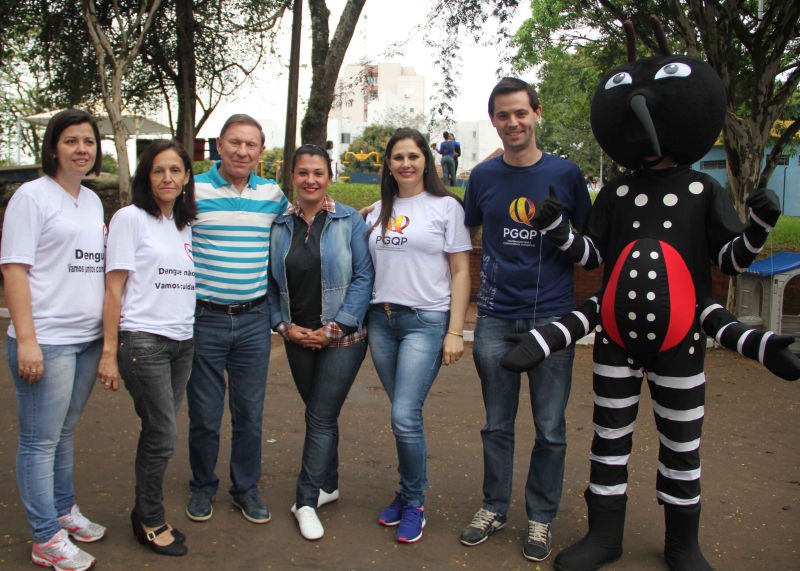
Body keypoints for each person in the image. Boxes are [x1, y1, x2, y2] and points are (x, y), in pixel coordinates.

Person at [501, 18, 798, 571]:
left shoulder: (702, 189)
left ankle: (683, 543)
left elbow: (730, 261)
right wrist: (559, 230)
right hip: (613, 339)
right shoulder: (616, 191)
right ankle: (604, 536)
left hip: (684, 339)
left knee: (682, 443)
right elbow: (593, 256)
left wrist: (757, 227)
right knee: (608, 437)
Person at [458, 77, 592, 562]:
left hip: (552, 318)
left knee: (550, 428)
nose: (512, 122)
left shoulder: (568, 174)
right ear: (493, 121)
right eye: (503, 115)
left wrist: (562, 233)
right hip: (494, 317)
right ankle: (494, 507)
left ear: (537, 113)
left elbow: (592, 247)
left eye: (520, 112)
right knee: (497, 425)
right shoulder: (482, 177)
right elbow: (461, 233)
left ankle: (540, 517)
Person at [1, 109, 106, 571]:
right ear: (53, 147)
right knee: (39, 441)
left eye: (89, 141)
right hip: (47, 340)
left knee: (64, 432)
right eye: (71, 140)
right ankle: (45, 537)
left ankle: (63, 510)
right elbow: (13, 269)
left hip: (86, 339)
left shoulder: (92, 201)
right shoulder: (31, 196)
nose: (81, 149)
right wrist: (27, 339)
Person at [366, 128, 472, 543]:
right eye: (397, 157)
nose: (405, 163)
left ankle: (415, 503)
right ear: (388, 164)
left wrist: (456, 331)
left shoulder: (446, 207)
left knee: (403, 415)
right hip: (381, 321)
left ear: (426, 159)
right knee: (404, 416)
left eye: (413, 156)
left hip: (425, 323)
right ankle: (408, 490)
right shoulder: (377, 210)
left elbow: (460, 271)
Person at [266, 144, 374, 540]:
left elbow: (364, 277)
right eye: (303, 173)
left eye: (318, 173)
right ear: (292, 177)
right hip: (297, 337)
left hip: (343, 339)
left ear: (330, 177)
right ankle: (329, 484)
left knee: (321, 416)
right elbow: (269, 283)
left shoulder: (349, 220)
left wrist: (336, 327)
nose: (310, 180)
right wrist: (283, 327)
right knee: (318, 412)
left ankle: (306, 500)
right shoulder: (279, 225)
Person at [186, 114, 289, 525]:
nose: (242, 151)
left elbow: (303, 221)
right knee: (205, 415)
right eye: (234, 143)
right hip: (204, 319)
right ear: (219, 145)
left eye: (251, 145)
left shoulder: (272, 194)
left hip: (253, 321)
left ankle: (246, 489)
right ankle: (202, 487)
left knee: (249, 415)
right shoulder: (192, 189)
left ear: (261, 151)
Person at [98, 139, 197, 557]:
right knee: (163, 434)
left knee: (157, 432)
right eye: (158, 170)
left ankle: (144, 513)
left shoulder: (183, 225)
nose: (167, 178)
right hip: (144, 341)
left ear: (187, 177)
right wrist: (109, 353)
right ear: (147, 176)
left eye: (175, 170)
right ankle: (152, 519)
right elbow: (113, 288)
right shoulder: (130, 218)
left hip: (182, 342)